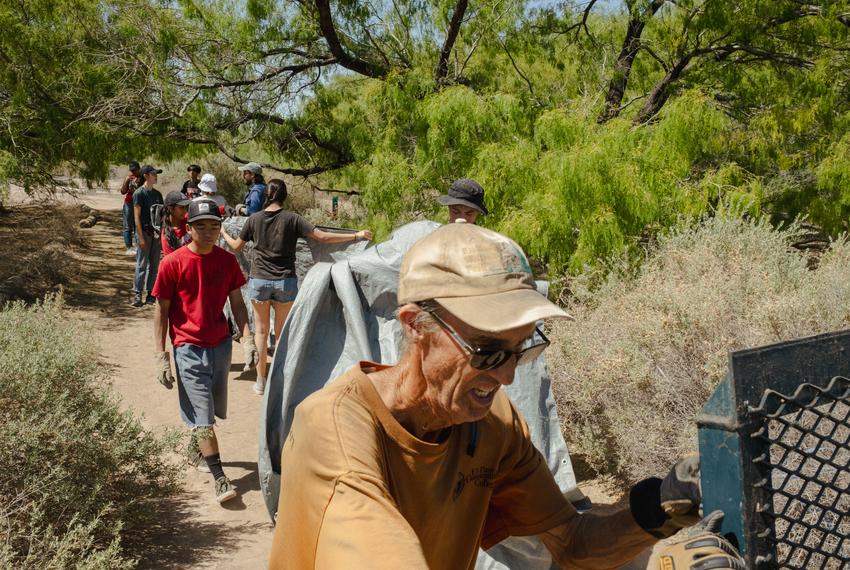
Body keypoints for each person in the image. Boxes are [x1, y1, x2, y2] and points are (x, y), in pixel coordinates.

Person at [268, 223, 702, 568]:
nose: (508, 376)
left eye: (520, 350)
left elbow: (572, 544)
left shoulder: (492, 425)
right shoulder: (335, 428)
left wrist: (658, 508)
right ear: (415, 325)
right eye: (489, 350)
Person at [220, 178, 373, 396]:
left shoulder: (254, 219)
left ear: (266, 196)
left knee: (261, 331)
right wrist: (356, 235)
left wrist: (224, 232)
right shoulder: (293, 219)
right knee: (282, 335)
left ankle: (261, 381)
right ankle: (280, 380)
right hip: (285, 281)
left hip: (259, 281)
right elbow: (322, 237)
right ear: (285, 196)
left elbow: (236, 247)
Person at [152, 198, 255, 504]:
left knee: (210, 408)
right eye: (201, 226)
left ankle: (195, 445)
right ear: (189, 228)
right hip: (187, 348)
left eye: (214, 225)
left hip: (220, 346)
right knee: (204, 418)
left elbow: (237, 303)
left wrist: (247, 339)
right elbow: (161, 311)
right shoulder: (172, 264)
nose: (209, 232)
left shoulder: (226, 262)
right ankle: (220, 478)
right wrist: (161, 356)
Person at [131, 165, 165, 307]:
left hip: (156, 234)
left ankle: (151, 294)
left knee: (154, 265)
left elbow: (162, 216)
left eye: (156, 174)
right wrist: (141, 237)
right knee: (142, 264)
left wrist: (162, 236)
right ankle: (137, 294)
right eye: (153, 174)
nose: (156, 176)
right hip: (144, 232)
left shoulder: (157, 194)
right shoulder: (139, 193)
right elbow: (136, 217)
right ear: (145, 176)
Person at [119, 161, 143, 254]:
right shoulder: (129, 177)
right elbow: (123, 191)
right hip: (129, 203)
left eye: (135, 170)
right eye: (132, 170)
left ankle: (138, 245)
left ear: (139, 169)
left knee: (138, 225)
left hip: (139, 204)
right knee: (127, 225)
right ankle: (129, 246)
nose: (133, 172)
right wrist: (126, 181)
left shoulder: (143, 178)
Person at [160, 191, 192, 256]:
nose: (185, 210)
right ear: (170, 208)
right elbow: (171, 261)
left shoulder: (190, 221)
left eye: (186, 207)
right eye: (181, 207)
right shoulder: (167, 236)